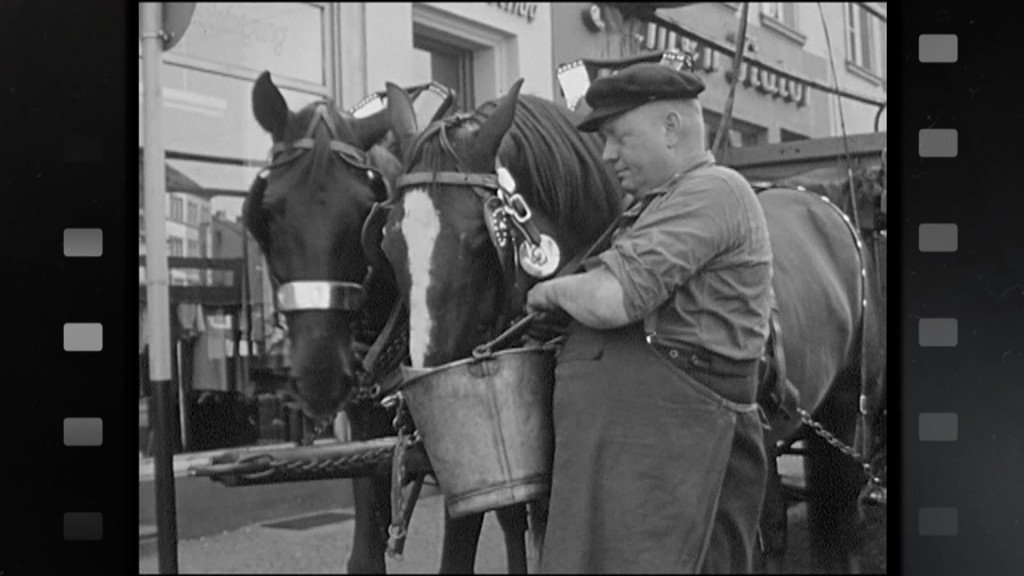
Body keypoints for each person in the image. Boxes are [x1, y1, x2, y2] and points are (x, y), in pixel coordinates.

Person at [526, 62, 774, 574]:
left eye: (618, 137)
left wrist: (549, 291)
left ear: (670, 128)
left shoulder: (715, 190)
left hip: (682, 470)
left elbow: (611, 299)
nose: (607, 155)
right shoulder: (656, 204)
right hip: (645, 468)